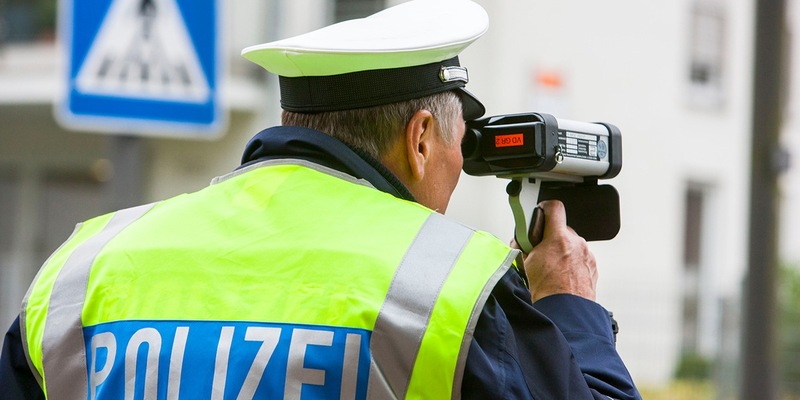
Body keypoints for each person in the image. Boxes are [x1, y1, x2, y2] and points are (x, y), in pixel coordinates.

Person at [1, 1, 641, 398]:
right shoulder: (450, 289)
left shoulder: (83, 266)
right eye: (457, 148)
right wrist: (569, 306)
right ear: (419, 139)